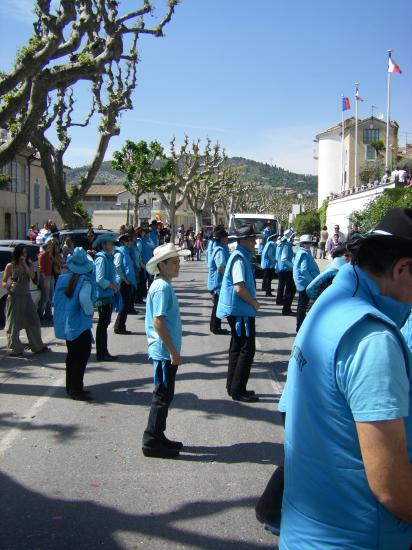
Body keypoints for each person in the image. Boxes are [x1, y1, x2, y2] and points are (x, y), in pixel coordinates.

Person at [278, 208, 412, 549]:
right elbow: (391, 488)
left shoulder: (331, 302)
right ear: (402, 268)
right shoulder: (372, 339)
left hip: (307, 530)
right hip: (356, 536)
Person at [141, 243, 191, 458]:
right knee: (162, 396)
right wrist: (173, 352)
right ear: (161, 265)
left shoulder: (162, 284)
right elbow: (158, 321)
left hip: (164, 350)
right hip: (163, 351)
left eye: (178, 262)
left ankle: (158, 436)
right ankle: (152, 440)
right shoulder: (162, 287)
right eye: (173, 262)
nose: (177, 266)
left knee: (164, 395)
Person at [217, 225, 260, 403]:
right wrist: (254, 303)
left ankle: (233, 387)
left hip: (238, 310)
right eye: (251, 239)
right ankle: (238, 390)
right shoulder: (240, 258)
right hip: (240, 311)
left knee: (237, 347)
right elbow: (239, 287)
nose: (254, 242)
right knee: (246, 350)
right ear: (242, 241)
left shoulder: (241, 256)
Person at [54, 247, 96, 401]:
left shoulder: (63, 279)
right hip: (79, 324)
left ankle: (70, 387)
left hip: (67, 323)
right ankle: (77, 389)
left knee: (72, 356)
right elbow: (84, 299)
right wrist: (90, 311)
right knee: (81, 356)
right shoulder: (85, 280)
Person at [2, 244, 49, 357]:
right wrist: (7, 285)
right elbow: (4, 281)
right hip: (14, 296)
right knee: (13, 323)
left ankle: (37, 346)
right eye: (22, 253)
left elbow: (33, 277)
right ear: (17, 254)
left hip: (26, 296)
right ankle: (15, 348)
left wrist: (24, 264)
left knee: (33, 320)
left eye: (26, 253)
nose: (24, 255)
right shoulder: (10, 266)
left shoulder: (29, 265)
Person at [94, 233, 119, 361]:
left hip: (107, 295)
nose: (112, 245)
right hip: (102, 296)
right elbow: (99, 279)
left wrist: (114, 284)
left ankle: (103, 351)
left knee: (104, 324)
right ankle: (101, 353)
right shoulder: (101, 258)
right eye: (110, 243)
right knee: (103, 325)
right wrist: (112, 286)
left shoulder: (108, 257)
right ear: (104, 245)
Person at [292, 234, 320, 332]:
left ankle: (300, 326)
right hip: (305, 283)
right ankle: (300, 327)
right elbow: (303, 270)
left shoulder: (303, 252)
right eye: (307, 243)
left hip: (304, 282)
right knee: (302, 306)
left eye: (309, 243)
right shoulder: (304, 253)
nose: (309, 245)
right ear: (303, 244)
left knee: (302, 305)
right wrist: (312, 280)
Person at [207, 227, 230, 335]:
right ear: (221, 239)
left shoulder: (220, 248)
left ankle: (214, 326)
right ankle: (216, 327)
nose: (227, 238)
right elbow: (221, 267)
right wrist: (229, 277)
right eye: (226, 237)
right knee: (218, 306)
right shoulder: (220, 250)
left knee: (216, 306)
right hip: (218, 283)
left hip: (217, 283)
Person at [113, 233, 137, 335]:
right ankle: (119, 327)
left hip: (127, 281)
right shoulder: (120, 253)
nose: (129, 242)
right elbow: (117, 267)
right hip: (123, 282)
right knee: (124, 305)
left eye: (130, 240)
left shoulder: (126, 251)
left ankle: (120, 326)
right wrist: (125, 279)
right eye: (127, 241)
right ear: (122, 242)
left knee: (126, 305)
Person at [275, 230, 295, 315]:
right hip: (286, 270)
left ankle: (281, 303)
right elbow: (284, 259)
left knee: (283, 286)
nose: (294, 238)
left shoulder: (280, 244)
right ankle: (286, 309)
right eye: (293, 237)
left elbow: (278, 257)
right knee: (290, 290)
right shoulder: (286, 245)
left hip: (281, 269)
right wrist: (293, 267)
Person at [37, 236, 54, 323]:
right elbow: (41, 267)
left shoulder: (48, 254)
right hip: (45, 277)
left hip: (50, 276)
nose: (51, 245)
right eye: (50, 244)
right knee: (45, 297)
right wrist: (44, 278)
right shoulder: (42, 254)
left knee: (50, 297)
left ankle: (48, 314)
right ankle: (39, 315)